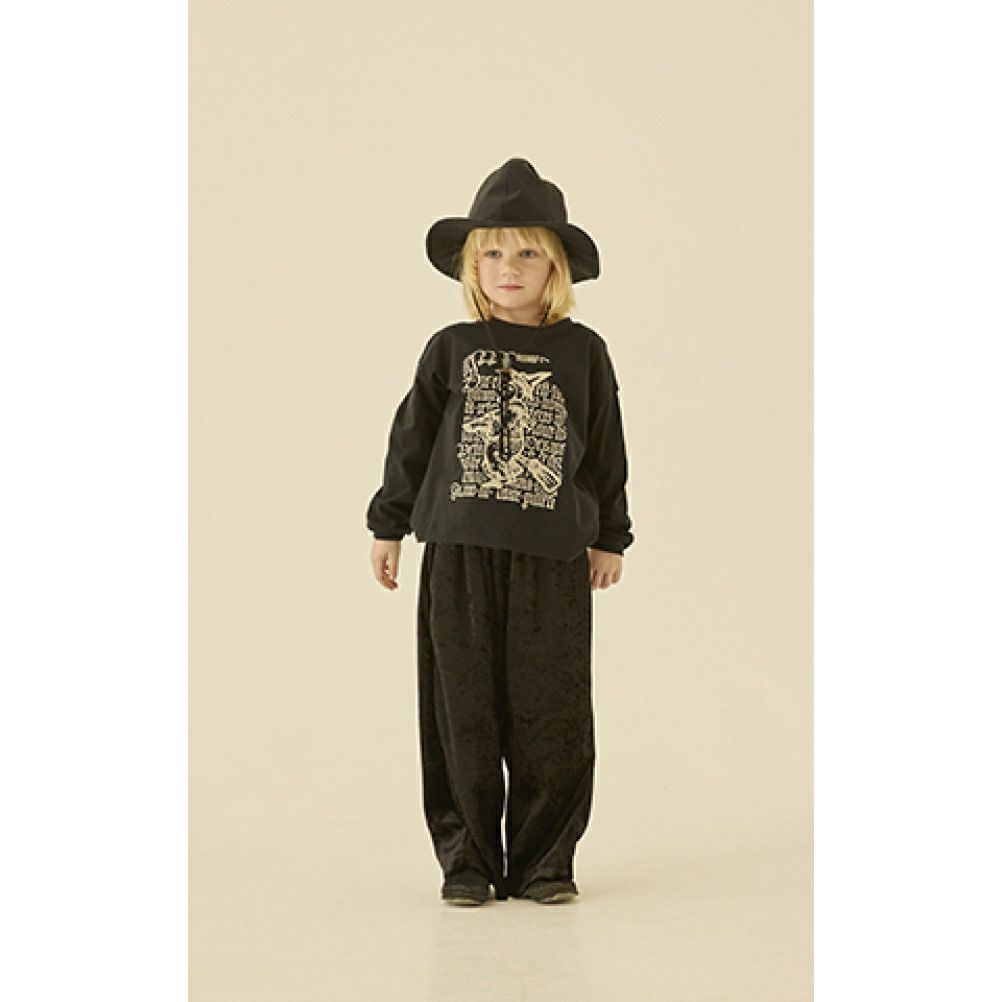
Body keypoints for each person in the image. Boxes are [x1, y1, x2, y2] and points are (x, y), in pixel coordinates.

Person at [365, 157, 634, 906]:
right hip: (459, 551)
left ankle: (546, 862)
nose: (508, 268)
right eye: (491, 252)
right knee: (462, 710)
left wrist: (611, 535)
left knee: (552, 711)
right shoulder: (450, 347)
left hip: (552, 556)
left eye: (526, 253)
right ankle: (468, 861)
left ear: (555, 268)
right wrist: (388, 523)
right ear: (471, 266)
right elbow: (412, 441)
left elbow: (606, 447)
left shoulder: (584, 352)